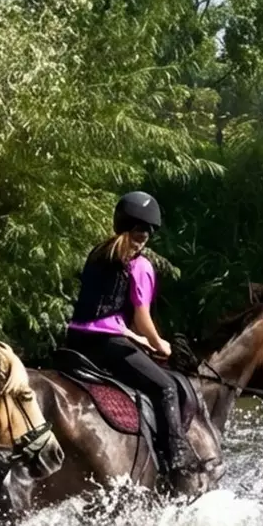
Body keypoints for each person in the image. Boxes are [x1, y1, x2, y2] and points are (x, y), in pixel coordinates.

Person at [64, 191, 191, 474]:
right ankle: (177, 460)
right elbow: (142, 318)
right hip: (106, 345)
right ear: (144, 234)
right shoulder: (140, 265)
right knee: (166, 388)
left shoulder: (97, 254)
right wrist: (159, 344)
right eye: (145, 233)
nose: (145, 237)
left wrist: (137, 339)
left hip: (75, 341)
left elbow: (100, 316)